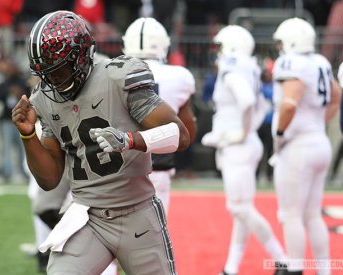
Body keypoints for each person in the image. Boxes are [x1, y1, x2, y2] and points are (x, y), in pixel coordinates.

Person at [12, 10, 190, 275]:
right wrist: (28, 135)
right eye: (45, 73)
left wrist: (130, 140)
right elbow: (49, 180)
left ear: (80, 58)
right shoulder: (44, 98)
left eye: (58, 70)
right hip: (87, 217)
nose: (52, 81)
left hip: (136, 213)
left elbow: (180, 135)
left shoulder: (118, 76)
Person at [200, 25, 287, 275]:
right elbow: (262, 106)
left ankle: (282, 260)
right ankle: (231, 268)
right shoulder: (249, 68)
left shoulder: (232, 69)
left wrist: (240, 132)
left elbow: (248, 102)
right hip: (244, 144)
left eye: (220, 46)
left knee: (240, 209)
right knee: (241, 210)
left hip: (238, 146)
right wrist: (247, 130)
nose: (217, 52)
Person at [270, 18, 342, 275]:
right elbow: (336, 95)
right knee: (312, 214)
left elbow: (289, 103)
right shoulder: (320, 61)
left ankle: (294, 269)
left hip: (298, 146)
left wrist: (280, 133)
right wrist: (317, 125)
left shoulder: (292, 62)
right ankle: (325, 271)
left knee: (291, 214)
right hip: (318, 142)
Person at [122, 17, 197, 213]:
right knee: (155, 232)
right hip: (158, 164)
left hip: (120, 163)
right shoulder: (180, 76)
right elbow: (188, 128)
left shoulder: (111, 71)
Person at [0, 59, 29, 183]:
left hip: (21, 120)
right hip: (7, 119)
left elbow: (30, 96)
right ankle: (7, 172)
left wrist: (20, 92)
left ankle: (23, 171)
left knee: (22, 147)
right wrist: (8, 91)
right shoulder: (4, 82)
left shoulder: (23, 82)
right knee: (7, 147)